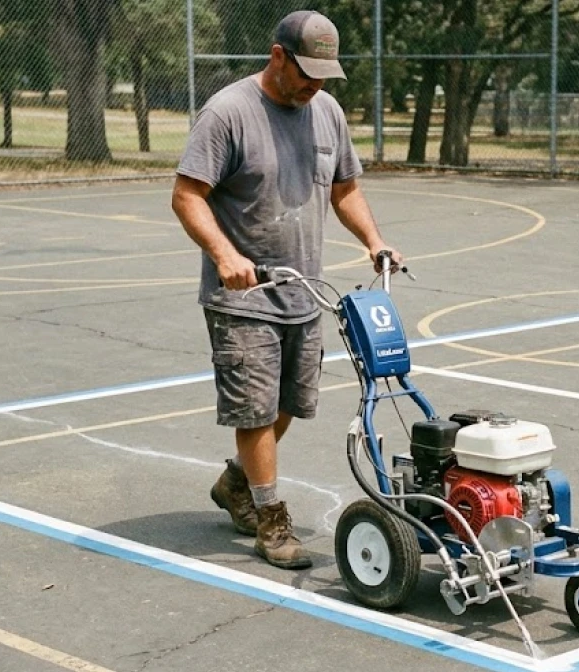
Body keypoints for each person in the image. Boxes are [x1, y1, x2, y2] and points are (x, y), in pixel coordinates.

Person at [171, 9, 403, 570]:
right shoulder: (228, 113)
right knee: (254, 411)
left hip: (303, 291)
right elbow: (187, 194)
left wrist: (374, 240)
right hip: (243, 297)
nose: (315, 85)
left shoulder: (326, 112)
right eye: (307, 73)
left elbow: (344, 189)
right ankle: (269, 520)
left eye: (325, 75)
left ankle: (236, 482)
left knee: (290, 406)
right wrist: (225, 255)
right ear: (278, 57)